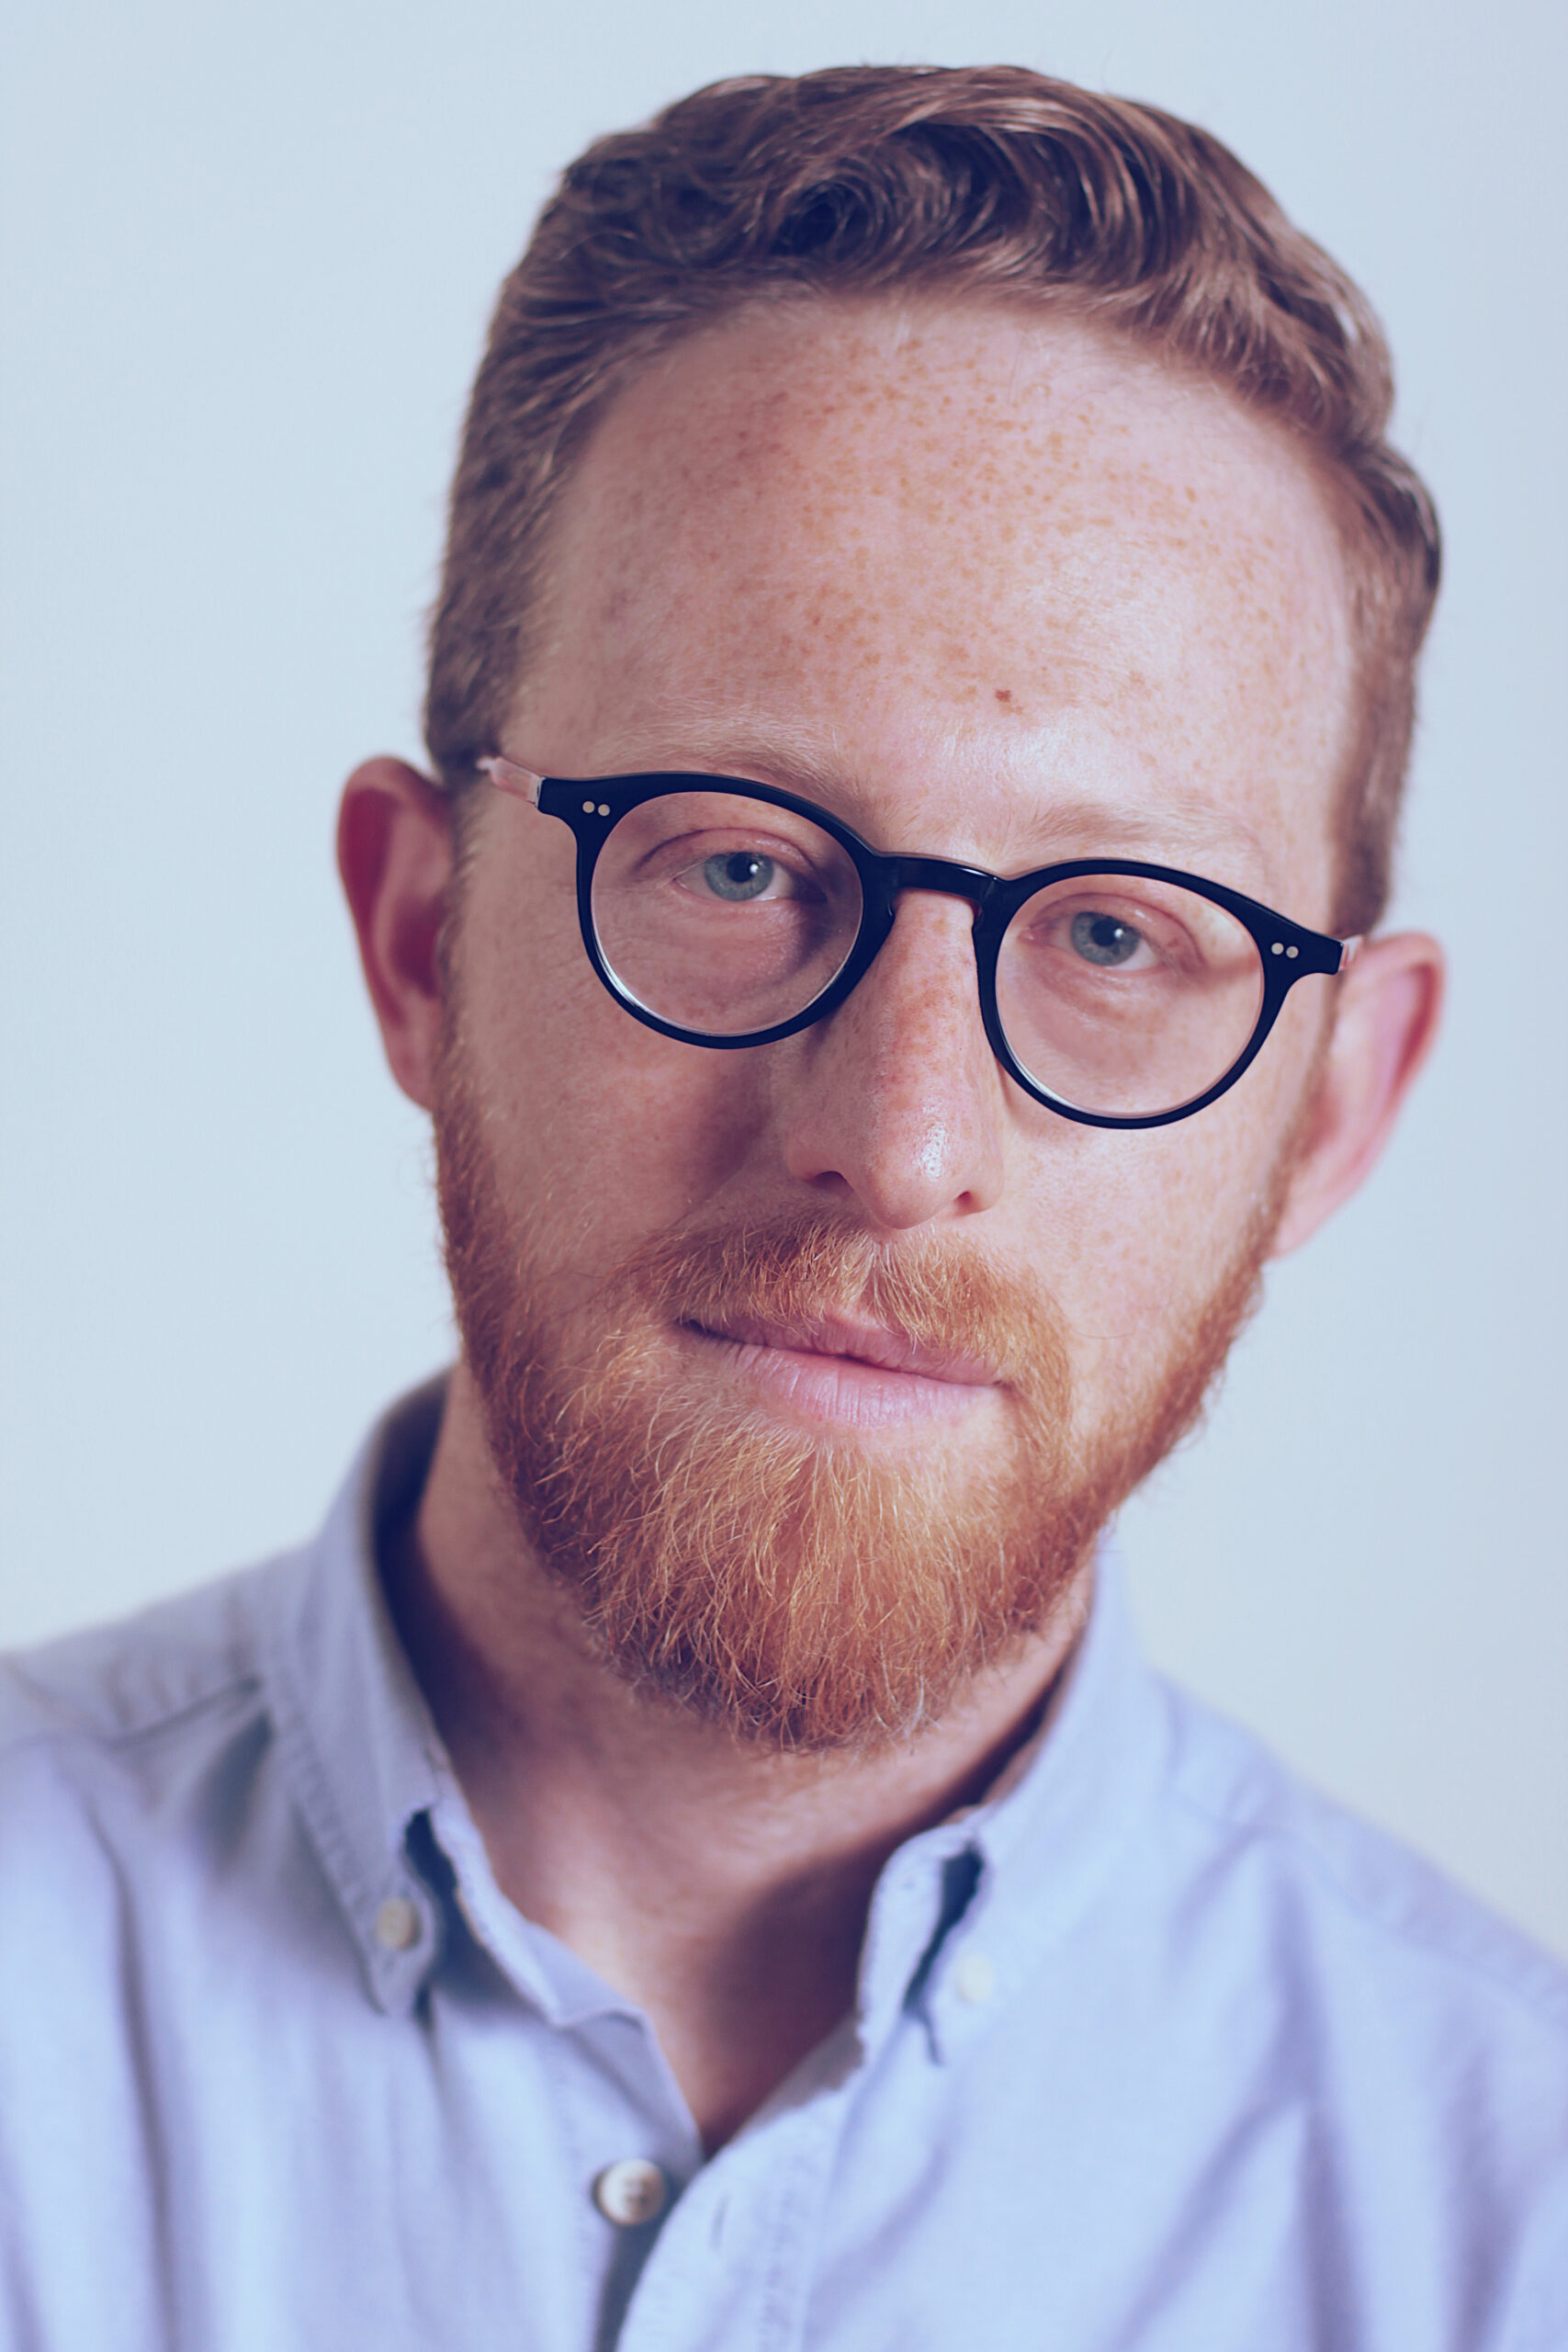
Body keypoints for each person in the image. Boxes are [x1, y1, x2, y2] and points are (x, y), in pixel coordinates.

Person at [2, 62, 1563, 2352]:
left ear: (1329, 1110)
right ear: (423, 940)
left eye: (1115, 934)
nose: (898, 1132)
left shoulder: (1510, 2222)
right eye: (735, 862)